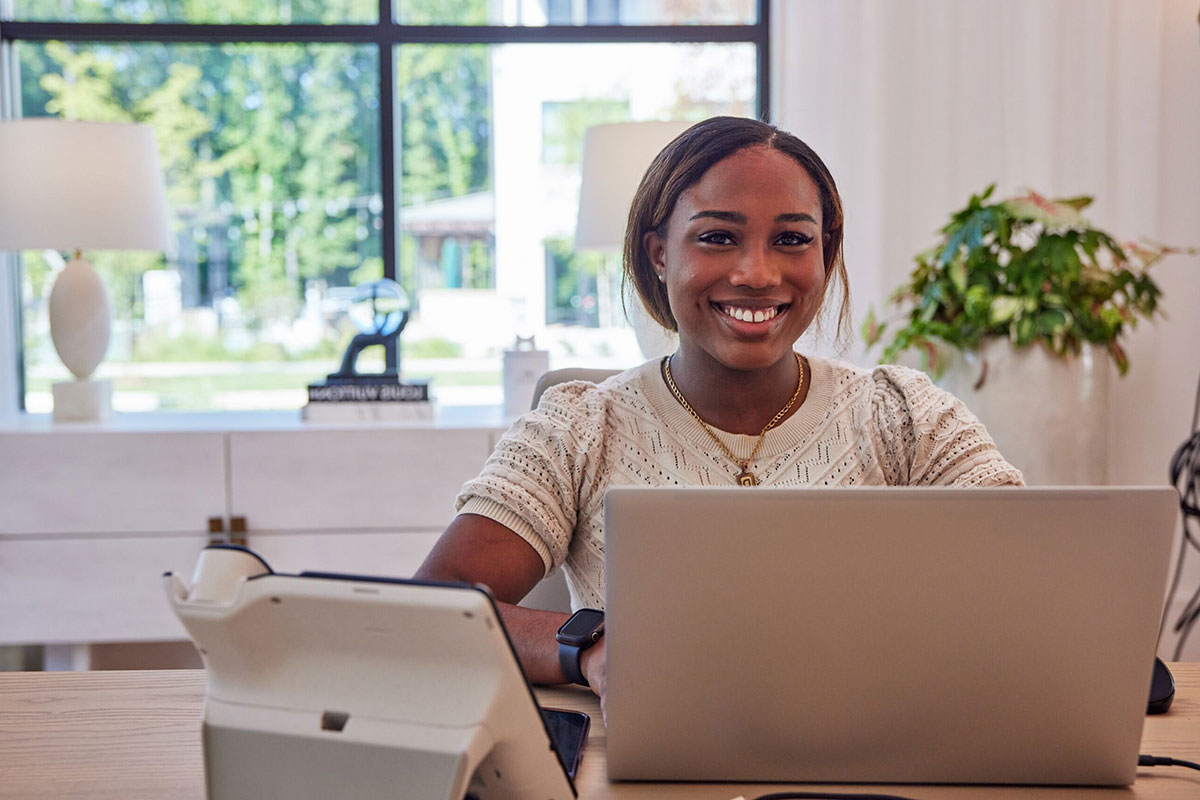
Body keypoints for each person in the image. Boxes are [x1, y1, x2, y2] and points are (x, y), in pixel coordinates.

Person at [414, 116, 1023, 714]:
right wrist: (592, 647)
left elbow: (1035, 589)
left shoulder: (908, 417)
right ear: (658, 254)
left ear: (825, 253)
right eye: (716, 237)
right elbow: (435, 610)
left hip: (879, 756)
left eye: (791, 239)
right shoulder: (579, 427)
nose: (757, 274)